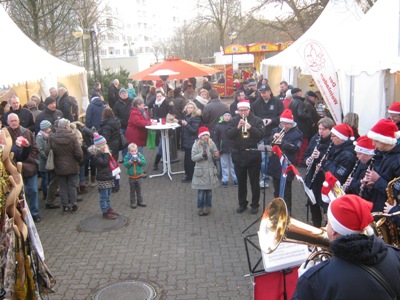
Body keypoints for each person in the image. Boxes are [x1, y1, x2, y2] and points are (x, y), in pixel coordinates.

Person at [293, 194, 400, 300]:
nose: (326, 227)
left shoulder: (315, 280)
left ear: (334, 231)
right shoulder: (396, 255)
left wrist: (305, 282)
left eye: (328, 222)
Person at [226, 99, 265, 214]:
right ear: (237, 110)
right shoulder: (233, 121)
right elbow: (228, 135)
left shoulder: (257, 120)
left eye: (244, 110)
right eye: (240, 110)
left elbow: (261, 135)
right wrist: (237, 127)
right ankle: (242, 204)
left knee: (254, 183)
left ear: (249, 109)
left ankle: (255, 205)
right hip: (239, 155)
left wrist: (250, 128)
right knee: (241, 183)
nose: (242, 112)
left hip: (253, 156)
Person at [267, 109, 303, 215]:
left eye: (286, 124)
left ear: (291, 123)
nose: (283, 126)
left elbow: (296, 148)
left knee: (286, 191)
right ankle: (277, 211)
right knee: (276, 190)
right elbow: (269, 142)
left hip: (287, 165)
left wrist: (283, 142)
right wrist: (272, 138)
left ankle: (287, 213)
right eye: (282, 123)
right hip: (275, 163)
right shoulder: (275, 130)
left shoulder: (297, 133)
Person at [7, 113, 41, 222]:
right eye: (11, 121)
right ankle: (23, 215)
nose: (13, 122)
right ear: (7, 122)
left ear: (19, 121)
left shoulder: (26, 132)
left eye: (15, 120)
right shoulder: (5, 134)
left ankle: (35, 213)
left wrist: (32, 158)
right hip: (13, 169)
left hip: (29, 166)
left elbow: (35, 148)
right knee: (20, 194)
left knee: (33, 191)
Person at [303, 117, 335, 227]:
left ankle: (327, 227)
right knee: (313, 203)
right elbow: (306, 153)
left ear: (331, 130)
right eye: (319, 129)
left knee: (325, 205)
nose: (320, 131)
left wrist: (321, 157)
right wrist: (307, 160)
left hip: (324, 178)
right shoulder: (315, 138)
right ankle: (315, 224)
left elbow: (332, 160)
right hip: (312, 176)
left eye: (324, 129)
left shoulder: (333, 142)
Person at [251, 84, 284, 188]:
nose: (263, 94)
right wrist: (261, 121)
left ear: (270, 91)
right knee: (264, 158)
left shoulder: (277, 102)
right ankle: (265, 178)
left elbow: (282, 116)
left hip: (274, 135)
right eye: (261, 92)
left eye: (264, 92)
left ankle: (275, 176)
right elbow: (253, 117)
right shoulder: (256, 104)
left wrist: (272, 120)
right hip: (262, 135)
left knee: (274, 157)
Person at [49, 118, 83, 214]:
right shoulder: (72, 137)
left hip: (59, 166)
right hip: (72, 165)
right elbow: (79, 153)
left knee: (63, 187)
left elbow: (49, 151)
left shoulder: (52, 137)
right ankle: (74, 205)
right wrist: (77, 160)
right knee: (72, 185)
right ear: (67, 126)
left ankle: (65, 206)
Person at [366, 119, 400, 212]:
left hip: (388, 211)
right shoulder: (382, 155)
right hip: (378, 204)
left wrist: (378, 180)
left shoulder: (397, 160)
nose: (373, 144)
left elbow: (396, 192)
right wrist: (373, 184)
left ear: (385, 140)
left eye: (376, 141)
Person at [344, 135, 382, 211]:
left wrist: (353, 184)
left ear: (369, 154)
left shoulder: (374, 167)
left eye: (360, 154)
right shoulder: (361, 163)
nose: (357, 156)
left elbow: (367, 192)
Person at [88, 133, 119, 219]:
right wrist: (106, 154)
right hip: (103, 178)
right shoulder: (95, 155)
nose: (104, 146)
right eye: (101, 145)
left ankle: (109, 208)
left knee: (108, 194)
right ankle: (105, 211)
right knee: (103, 196)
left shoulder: (105, 153)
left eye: (104, 144)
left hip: (108, 176)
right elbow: (104, 163)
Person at [191, 126, 220, 216]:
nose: (205, 137)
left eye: (207, 135)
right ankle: (200, 207)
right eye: (203, 135)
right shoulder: (196, 145)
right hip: (201, 172)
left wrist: (216, 155)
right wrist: (202, 155)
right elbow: (193, 158)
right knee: (201, 192)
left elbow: (216, 156)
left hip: (210, 171)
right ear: (200, 136)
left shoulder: (211, 143)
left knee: (209, 192)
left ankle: (208, 207)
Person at [98, 107, 122, 192]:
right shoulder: (116, 122)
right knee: (114, 164)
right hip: (116, 144)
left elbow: (105, 139)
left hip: (110, 146)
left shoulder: (106, 125)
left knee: (110, 165)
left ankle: (113, 185)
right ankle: (117, 184)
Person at [289, 88, 312, 166]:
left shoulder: (292, 102)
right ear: (298, 93)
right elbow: (301, 114)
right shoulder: (300, 102)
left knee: (297, 144)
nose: (302, 93)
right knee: (303, 144)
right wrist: (309, 116)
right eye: (300, 92)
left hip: (295, 125)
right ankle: (300, 161)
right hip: (302, 126)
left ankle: (296, 160)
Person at [214, 111, 238, 187]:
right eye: (225, 115)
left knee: (233, 164)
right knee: (224, 165)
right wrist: (217, 148)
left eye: (228, 115)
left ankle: (235, 179)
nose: (227, 117)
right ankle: (225, 179)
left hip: (232, 147)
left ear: (231, 117)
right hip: (223, 148)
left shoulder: (234, 124)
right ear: (223, 117)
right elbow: (216, 138)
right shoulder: (218, 125)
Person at [181, 101, 202, 182]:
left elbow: (194, 131)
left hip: (192, 142)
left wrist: (186, 124)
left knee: (190, 161)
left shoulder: (196, 118)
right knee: (186, 160)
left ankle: (190, 176)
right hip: (187, 142)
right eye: (188, 107)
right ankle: (188, 175)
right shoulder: (187, 116)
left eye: (191, 108)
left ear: (194, 109)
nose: (189, 109)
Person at [36, 120, 55, 204]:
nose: (50, 129)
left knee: (48, 177)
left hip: (48, 160)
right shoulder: (39, 137)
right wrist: (47, 158)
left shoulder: (48, 135)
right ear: (45, 128)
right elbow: (40, 150)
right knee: (45, 178)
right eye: (49, 127)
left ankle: (48, 193)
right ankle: (45, 193)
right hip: (44, 162)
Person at [124, 143, 146, 209]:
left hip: (139, 176)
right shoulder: (127, 157)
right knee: (132, 191)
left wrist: (139, 161)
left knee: (139, 190)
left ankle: (140, 201)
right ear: (129, 151)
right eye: (132, 151)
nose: (134, 152)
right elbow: (125, 165)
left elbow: (144, 163)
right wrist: (130, 162)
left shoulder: (140, 156)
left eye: (135, 151)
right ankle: (133, 202)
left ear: (137, 150)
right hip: (131, 177)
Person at [113, 87, 133, 161]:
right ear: (119, 95)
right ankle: (125, 158)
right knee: (124, 142)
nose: (124, 94)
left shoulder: (132, 102)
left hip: (131, 126)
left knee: (132, 142)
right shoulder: (117, 104)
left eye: (125, 93)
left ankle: (133, 155)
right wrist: (120, 121)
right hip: (122, 127)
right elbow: (115, 115)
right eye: (122, 93)